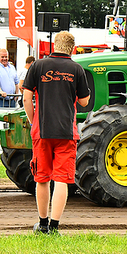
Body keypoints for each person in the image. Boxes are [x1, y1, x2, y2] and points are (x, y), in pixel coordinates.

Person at [22, 31, 90, 235]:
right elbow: (85, 102)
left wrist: (33, 121)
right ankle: (54, 226)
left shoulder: (38, 66)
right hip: (66, 132)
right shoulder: (77, 69)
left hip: (41, 131)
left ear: (54, 45)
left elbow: (26, 98)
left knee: (42, 178)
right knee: (61, 179)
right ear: (72, 48)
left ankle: (42, 225)